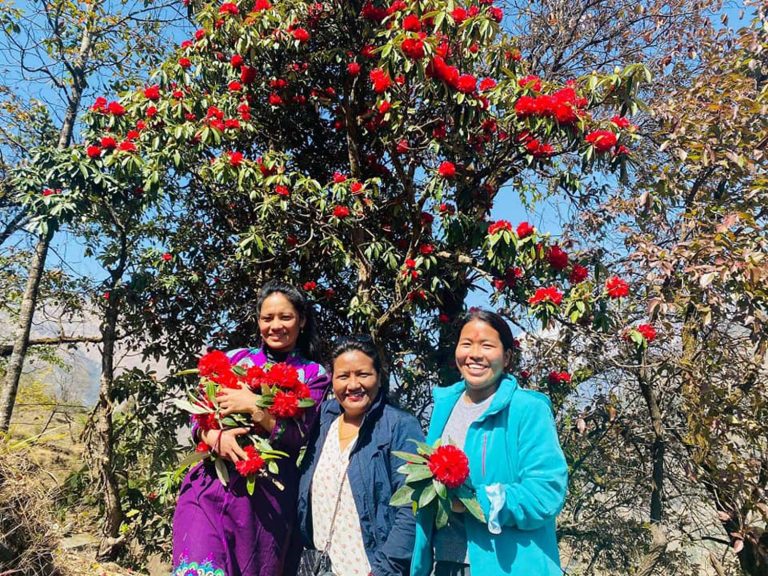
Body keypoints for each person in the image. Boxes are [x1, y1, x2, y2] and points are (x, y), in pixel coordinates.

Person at [172, 280, 331, 576]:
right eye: (267, 318)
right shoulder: (234, 359)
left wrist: (253, 406)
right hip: (210, 484)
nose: (275, 326)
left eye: (285, 317)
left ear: (301, 321)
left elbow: (300, 436)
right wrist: (214, 436)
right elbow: (199, 417)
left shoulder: (314, 375)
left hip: (265, 500)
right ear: (258, 321)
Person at [410, 309, 568, 576]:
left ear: (506, 357)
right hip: (445, 564)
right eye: (467, 343)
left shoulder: (527, 409)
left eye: (487, 345)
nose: (475, 354)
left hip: (505, 565)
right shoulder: (445, 406)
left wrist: (474, 502)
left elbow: (545, 492)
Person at [297, 336, 425, 576]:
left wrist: (384, 569)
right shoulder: (323, 421)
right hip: (319, 567)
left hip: (371, 568)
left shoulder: (399, 426)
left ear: (379, 377)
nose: (353, 385)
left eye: (363, 374)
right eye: (343, 376)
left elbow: (412, 506)